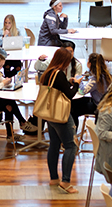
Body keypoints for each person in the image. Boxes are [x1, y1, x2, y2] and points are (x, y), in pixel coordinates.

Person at [40, 48, 82, 194]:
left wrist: (68, 81)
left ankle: (54, 178)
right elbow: (69, 94)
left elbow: (59, 87)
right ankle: (65, 181)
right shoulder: (58, 74)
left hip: (49, 114)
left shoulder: (48, 73)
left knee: (54, 144)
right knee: (71, 146)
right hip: (60, 115)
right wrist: (76, 83)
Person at [71, 53, 112, 129]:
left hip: (98, 106)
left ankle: (73, 134)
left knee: (73, 108)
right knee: (75, 103)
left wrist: (78, 81)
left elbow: (83, 91)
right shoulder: (107, 75)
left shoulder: (96, 79)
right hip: (104, 103)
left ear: (89, 64)